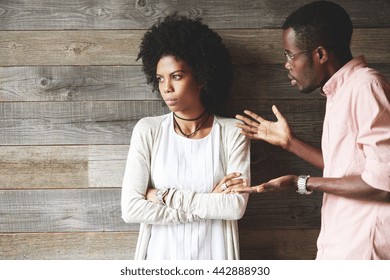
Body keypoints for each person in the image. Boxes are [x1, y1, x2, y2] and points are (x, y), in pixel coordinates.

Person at [235, 1, 390, 259]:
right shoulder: (340, 91)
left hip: (363, 250)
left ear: (320, 54)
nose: (286, 64)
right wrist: (290, 143)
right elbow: (347, 168)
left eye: (290, 55)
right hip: (340, 243)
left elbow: (382, 182)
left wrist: (300, 183)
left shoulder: (365, 87)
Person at [121, 14, 250, 260]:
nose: (166, 87)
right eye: (160, 79)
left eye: (176, 76)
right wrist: (205, 206)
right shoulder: (148, 130)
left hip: (215, 257)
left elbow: (235, 207)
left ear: (201, 77)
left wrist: (163, 196)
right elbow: (131, 209)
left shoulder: (233, 132)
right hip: (159, 260)